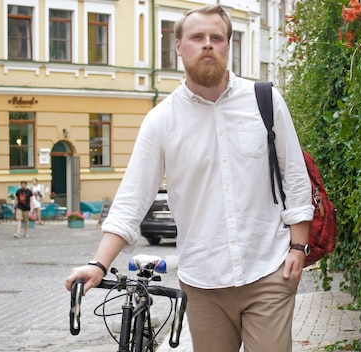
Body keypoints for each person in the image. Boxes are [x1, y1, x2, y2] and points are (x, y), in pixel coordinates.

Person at [65, 5, 313, 352]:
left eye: (217, 37)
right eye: (197, 37)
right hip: (202, 283)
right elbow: (132, 199)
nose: (207, 44)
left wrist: (298, 247)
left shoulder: (265, 100)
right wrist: (98, 263)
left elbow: (295, 177)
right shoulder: (161, 120)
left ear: (228, 46)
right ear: (179, 47)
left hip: (268, 271)